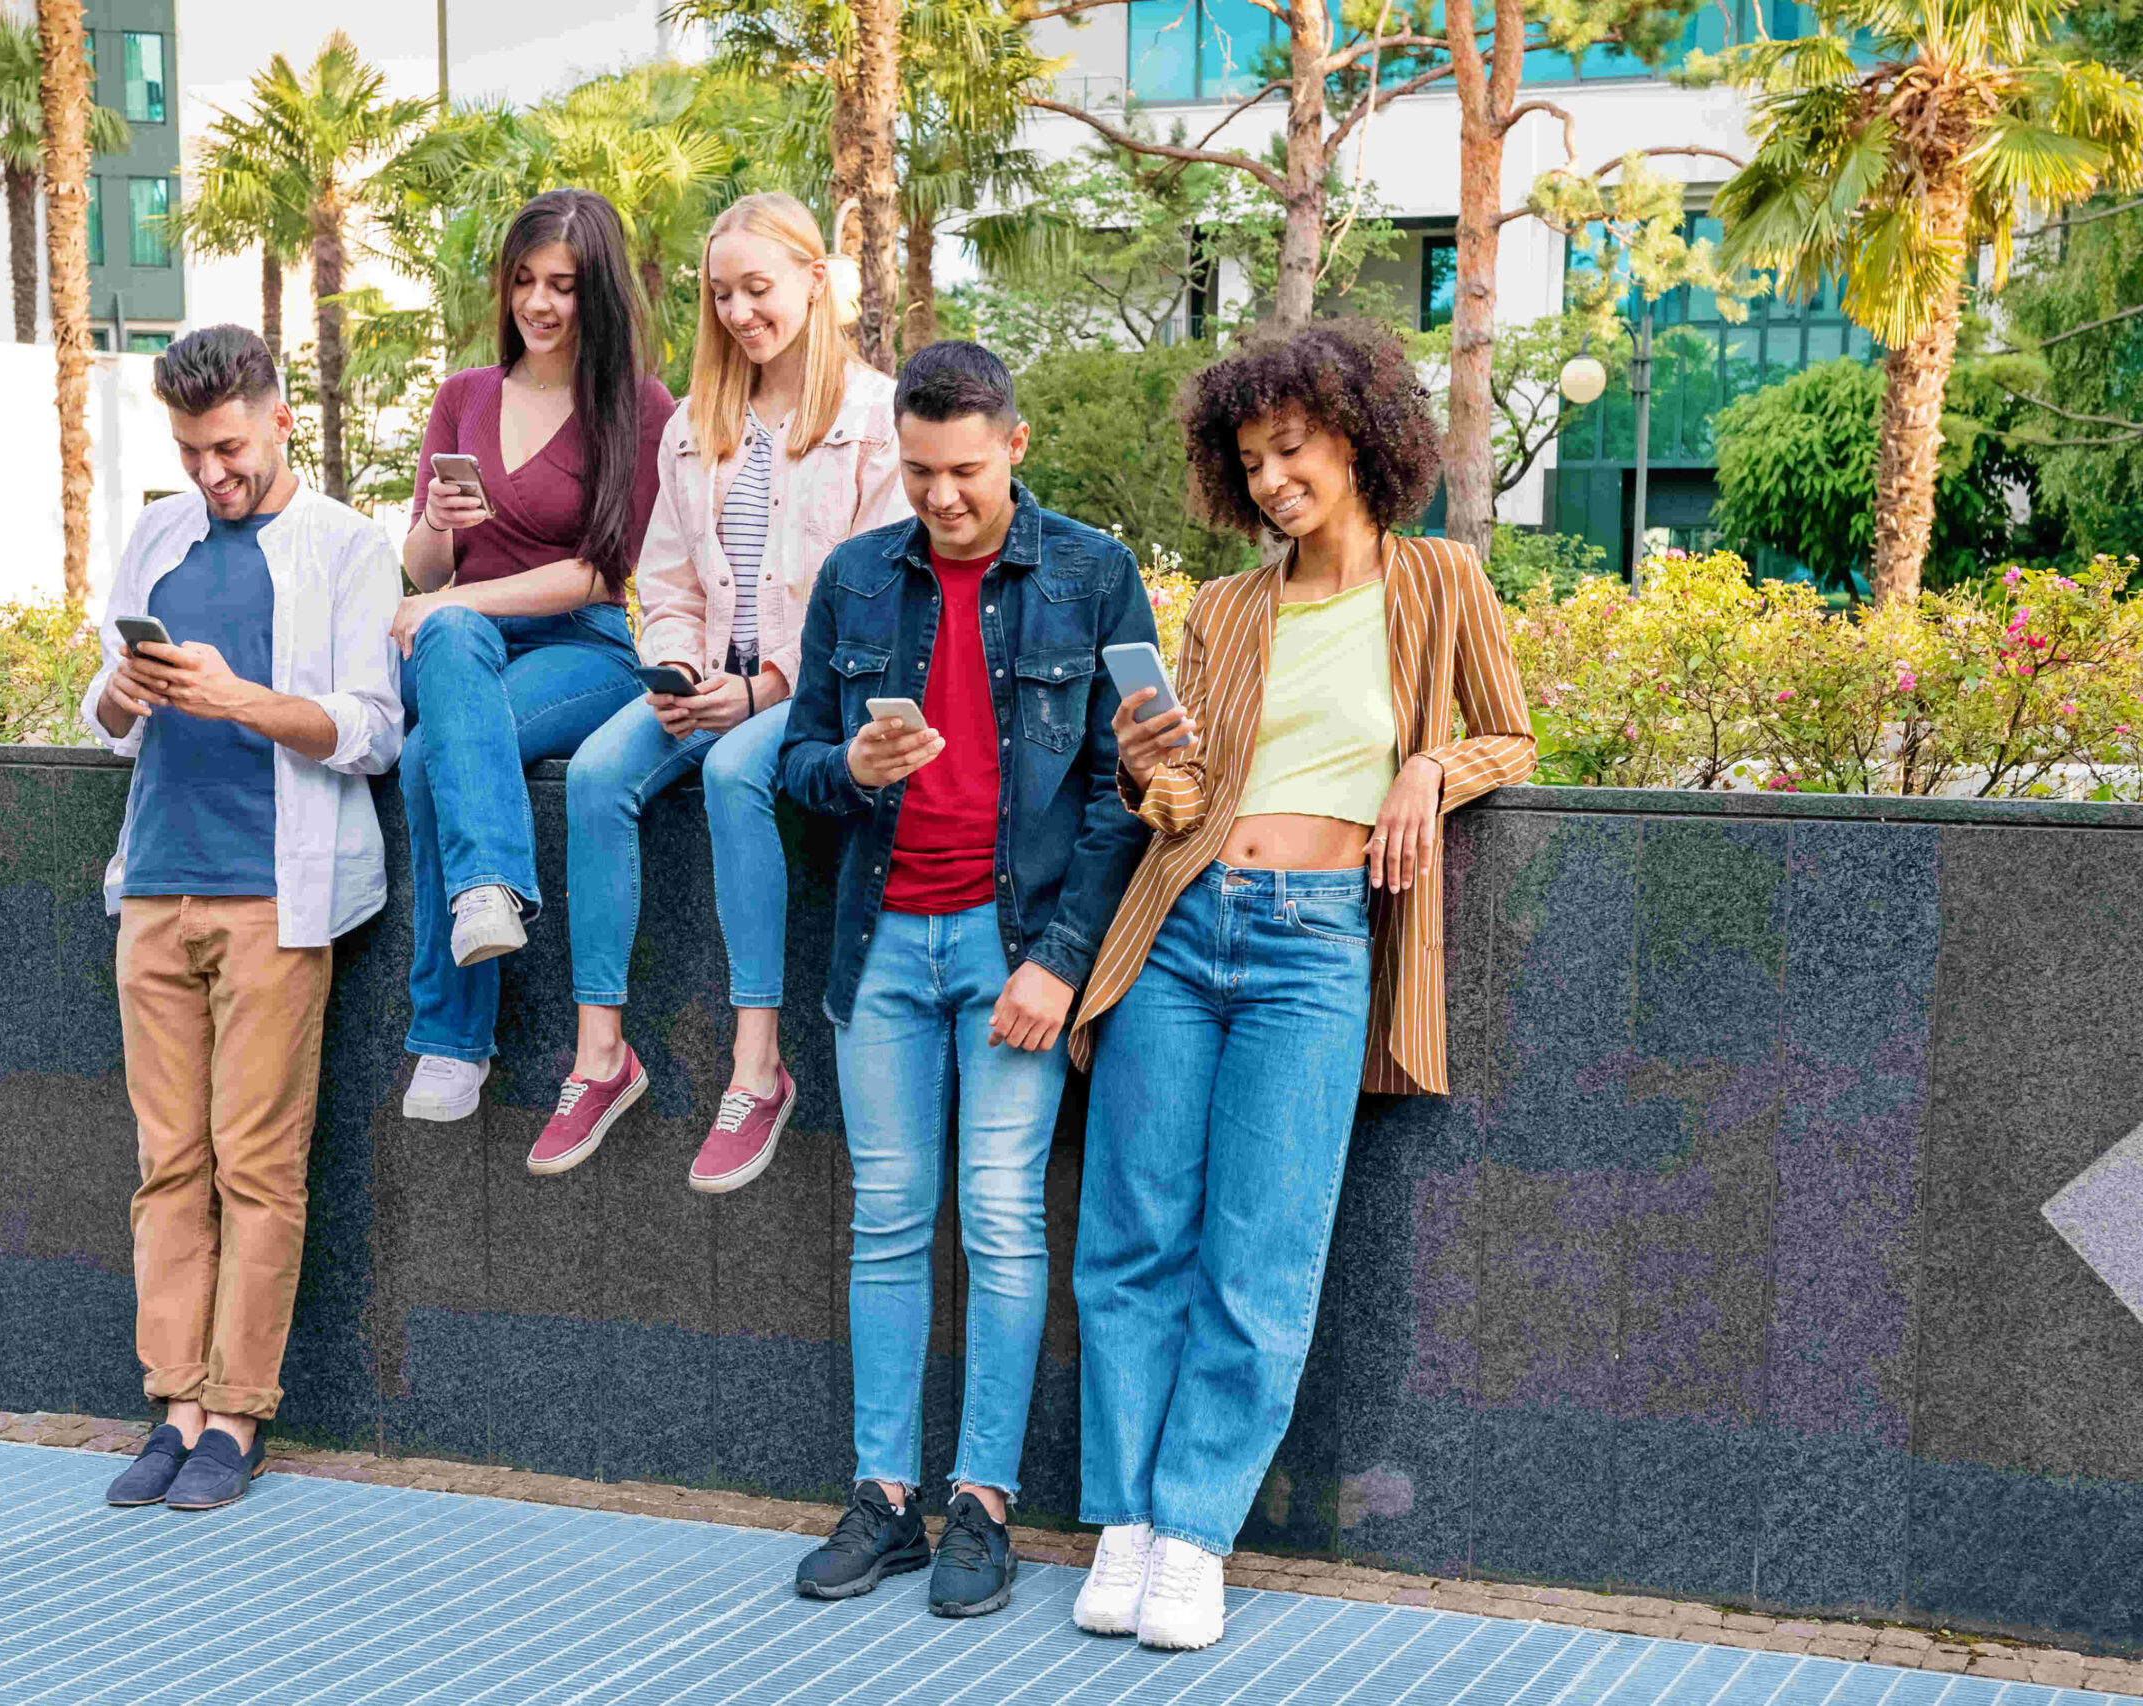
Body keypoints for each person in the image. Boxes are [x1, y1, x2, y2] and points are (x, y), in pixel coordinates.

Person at [1064, 322, 1536, 1650]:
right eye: (1252, 458)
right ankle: (1125, 1519)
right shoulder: (1224, 609)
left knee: (1263, 1249)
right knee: (1133, 1236)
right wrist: (1147, 764)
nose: (1272, 479)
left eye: (1294, 449)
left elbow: (1506, 727)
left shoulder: (1440, 581)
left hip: (1316, 944)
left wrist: (1429, 771)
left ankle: (1197, 1530)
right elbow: (1178, 797)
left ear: (1359, 438)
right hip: (1181, 922)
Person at [776, 341, 1156, 1619]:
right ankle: (884, 1495)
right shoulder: (853, 578)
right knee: (886, 1222)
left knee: (998, 1221)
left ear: (1015, 446)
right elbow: (798, 762)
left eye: (966, 471)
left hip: (1013, 947)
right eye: (920, 469)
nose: (941, 496)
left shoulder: (1096, 574)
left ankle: (980, 1501)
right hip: (881, 942)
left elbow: (1124, 793)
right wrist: (857, 770)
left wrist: (1058, 963)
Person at [81, 324, 404, 1512]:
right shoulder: (159, 535)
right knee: (168, 1164)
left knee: (257, 1166)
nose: (210, 475)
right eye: (187, 451)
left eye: (226, 449)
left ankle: (236, 1415)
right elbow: (105, 715)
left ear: (277, 420)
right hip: (155, 884)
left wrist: (246, 701)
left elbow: (374, 727)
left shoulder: (348, 547)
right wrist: (123, 690)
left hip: (277, 892)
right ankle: (171, 1405)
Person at [548, 193, 908, 1189]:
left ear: (812, 281)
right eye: (723, 295)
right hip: (710, 678)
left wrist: (768, 689)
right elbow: (660, 577)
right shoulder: (695, 425)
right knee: (595, 773)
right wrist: (674, 667)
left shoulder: (877, 421)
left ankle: (757, 1065)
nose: (742, 312)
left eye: (759, 288)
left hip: (812, 688)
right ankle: (598, 1052)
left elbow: (874, 593)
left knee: (738, 773)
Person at [391, 188, 677, 1126]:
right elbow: (421, 567)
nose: (540, 304)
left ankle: (451, 1038)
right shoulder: (464, 396)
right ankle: (487, 893)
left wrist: (455, 596)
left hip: (581, 649)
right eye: (524, 282)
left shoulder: (640, 407)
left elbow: (606, 574)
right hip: (458, 649)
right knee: (450, 645)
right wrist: (439, 527)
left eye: (562, 284)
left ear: (600, 292)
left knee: (437, 755)